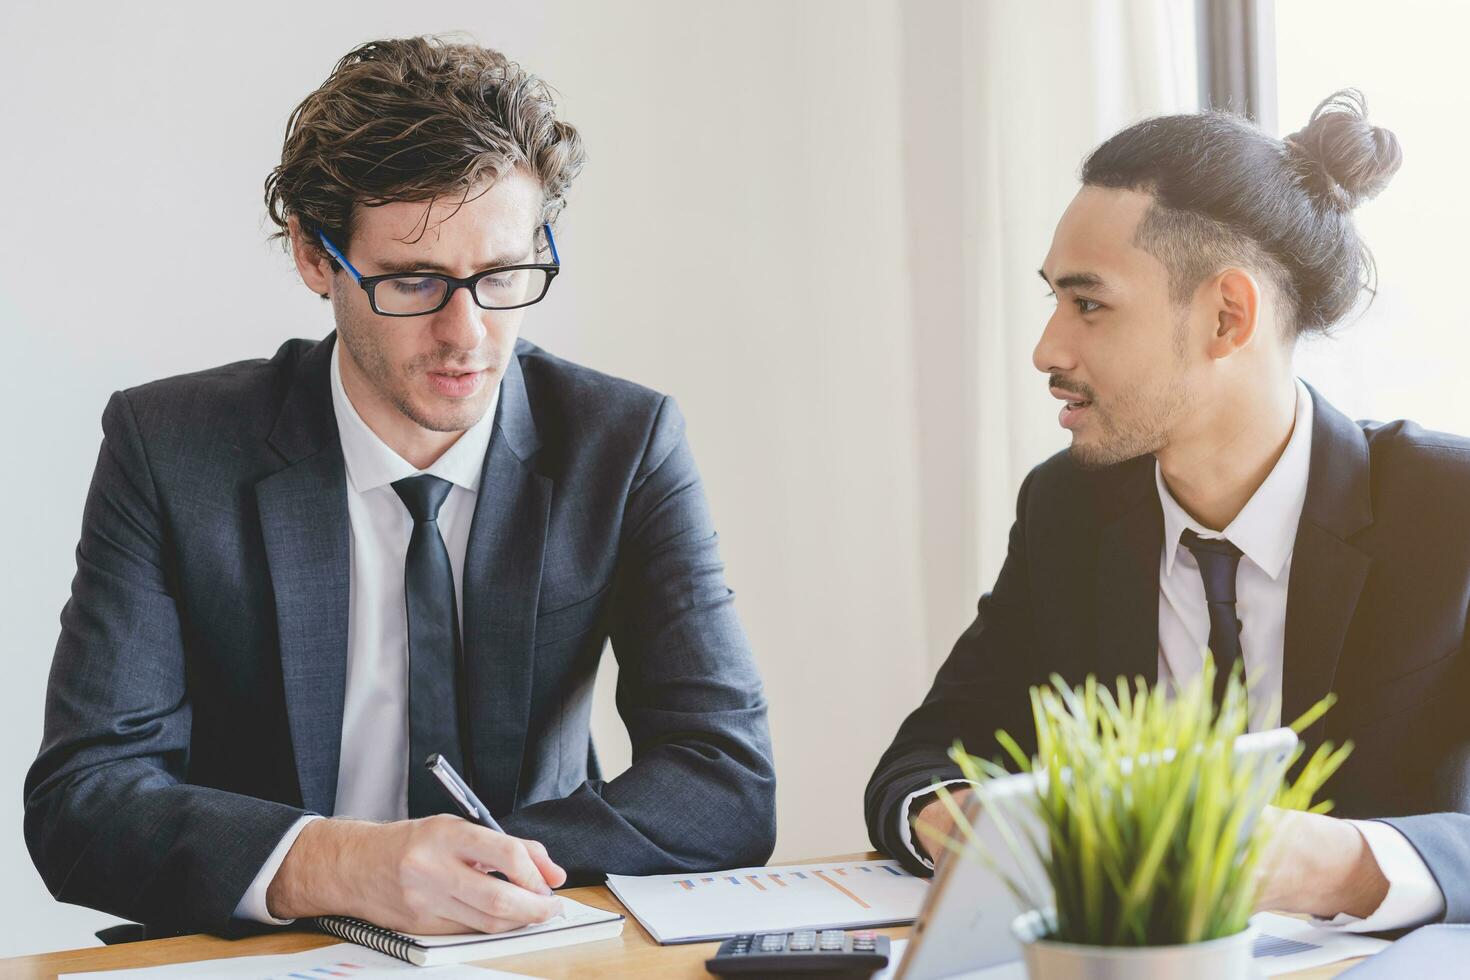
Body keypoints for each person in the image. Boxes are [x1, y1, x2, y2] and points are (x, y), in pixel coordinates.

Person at [24, 35, 776, 940]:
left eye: (502, 275)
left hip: (532, 942)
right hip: (261, 954)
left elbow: (725, 782)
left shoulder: (622, 443)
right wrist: (343, 865)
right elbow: (85, 799)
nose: (468, 334)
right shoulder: (172, 447)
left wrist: (472, 868)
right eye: (415, 280)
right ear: (313, 256)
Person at [867, 90, 1470, 930]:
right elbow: (922, 760)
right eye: (1053, 301)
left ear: (1228, 316)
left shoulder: (1450, 509)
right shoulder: (1068, 509)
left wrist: (1338, 868)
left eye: (1089, 304)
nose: (1047, 349)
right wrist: (959, 821)